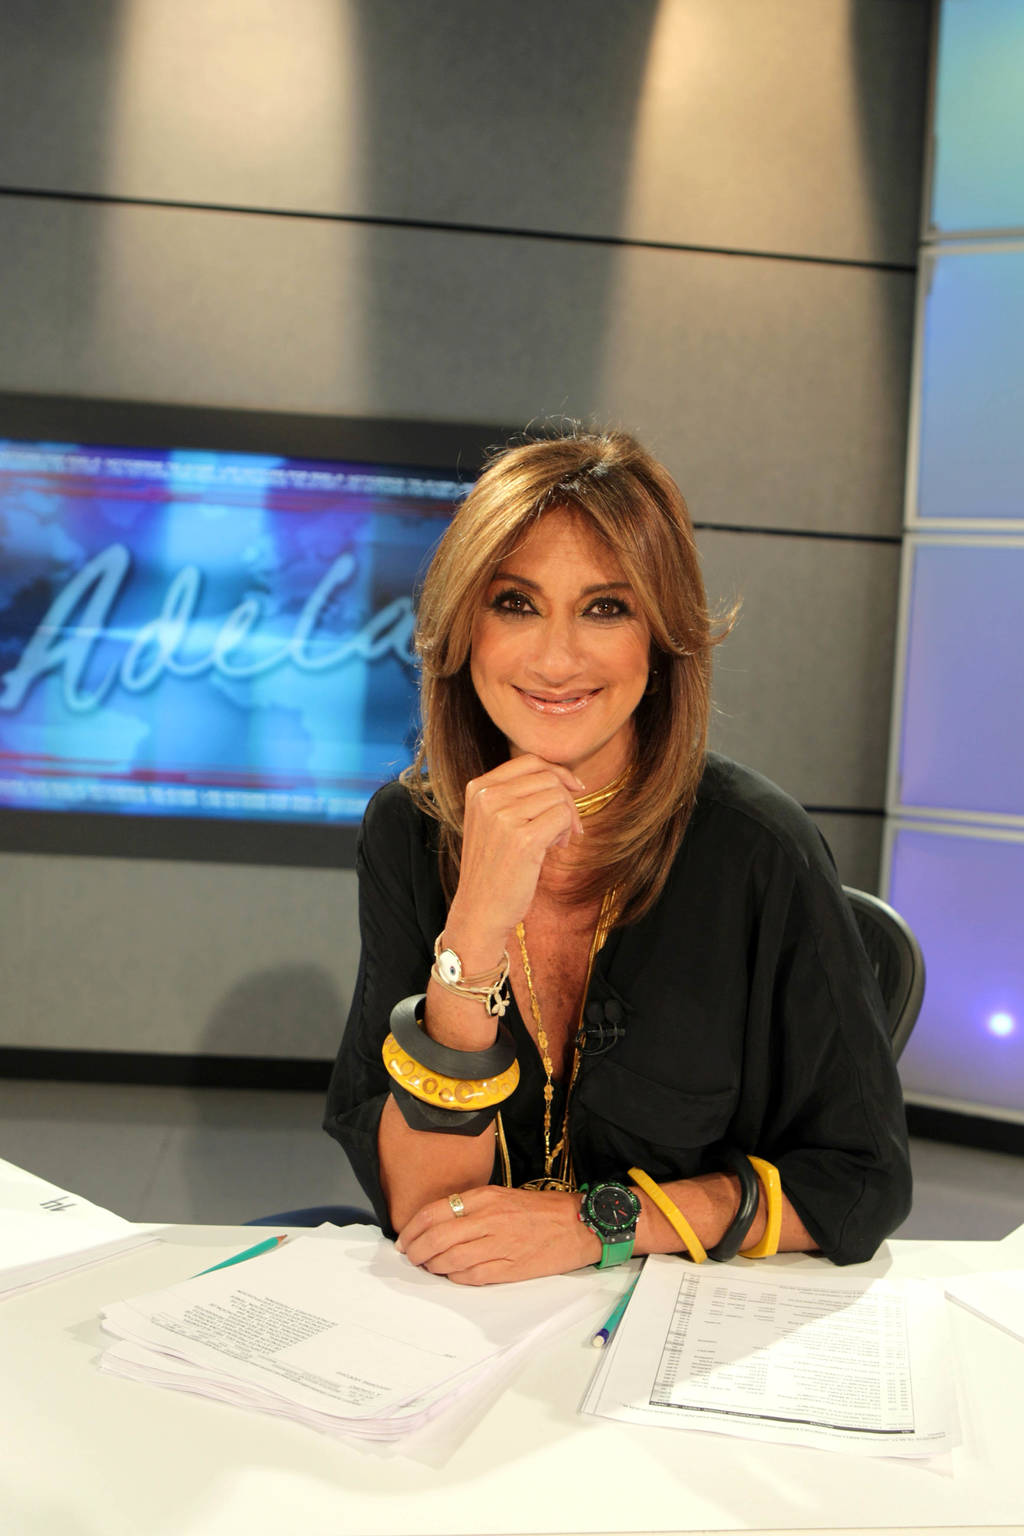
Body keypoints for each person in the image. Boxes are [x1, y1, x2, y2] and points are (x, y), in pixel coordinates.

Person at [324, 426, 911, 1284]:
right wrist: (473, 933)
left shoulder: (760, 847)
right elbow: (424, 1210)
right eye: (515, 602)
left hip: (689, 1319)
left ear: (660, 639)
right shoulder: (406, 828)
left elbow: (861, 1182)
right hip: (477, 1323)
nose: (555, 658)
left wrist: (596, 1223)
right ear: (463, 627)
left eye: (606, 608)